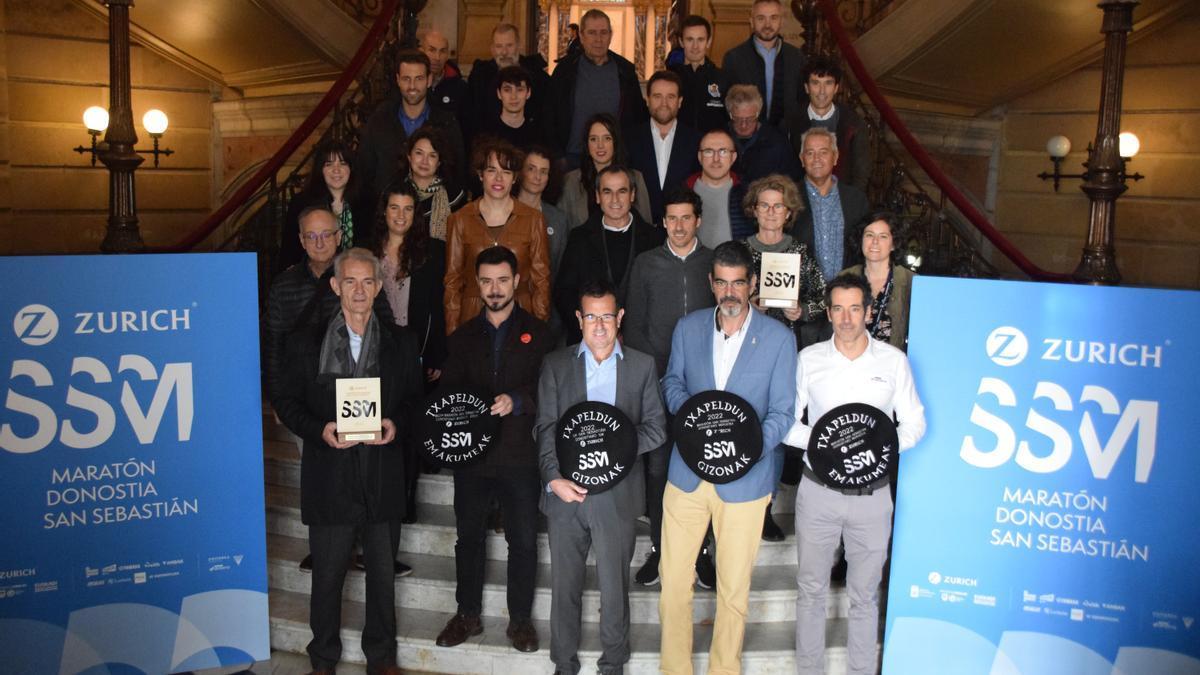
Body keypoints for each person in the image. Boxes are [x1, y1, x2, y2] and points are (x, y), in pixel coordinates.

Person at [273, 247, 423, 675]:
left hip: (382, 473)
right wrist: (318, 428)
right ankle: (323, 659)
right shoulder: (305, 344)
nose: (359, 290)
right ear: (336, 286)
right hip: (330, 474)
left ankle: (382, 657)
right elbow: (285, 400)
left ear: (379, 288)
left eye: (368, 282)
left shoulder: (402, 343)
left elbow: (416, 401)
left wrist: (395, 423)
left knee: (381, 576)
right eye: (350, 281)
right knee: (328, 578)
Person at [658, 240, 797, 675]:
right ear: (711, 284)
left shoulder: (779, 339)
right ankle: (674, 670)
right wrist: (693, 420)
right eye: (722, 283)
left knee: (733, 590)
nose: (730, 291)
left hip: (747, 482)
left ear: (752, 284)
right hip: (686, 476)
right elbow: (671, 383)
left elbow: (783, 412)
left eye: (739, 282)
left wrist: (748, 447)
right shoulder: (688, 327)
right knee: (674, 585)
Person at [784, 272, 925, 675]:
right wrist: (829, 444)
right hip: (818, 493)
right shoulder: (808, 360)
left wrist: (876, 446)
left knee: (865, 595)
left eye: (855, 309)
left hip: (872, 497)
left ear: (867, 311)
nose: (847, 318)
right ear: (828, 313)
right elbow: (787, 423)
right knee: (811, 590)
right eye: (839, 309)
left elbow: (915, 422)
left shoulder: (893, 361)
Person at [534, 279, 667, 675]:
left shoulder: (642, 366)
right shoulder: (556, 365)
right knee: (565, 586)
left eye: (606, 316)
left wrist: (617, 449)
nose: (599, 325)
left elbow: (657, 428)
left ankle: (613, 664)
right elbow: (545, 427)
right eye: (590, 316)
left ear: (619, 317)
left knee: (614, 588)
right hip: (565, 494)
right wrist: (552, 477)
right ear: (578, 319)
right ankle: (563, 663)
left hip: (617, 495)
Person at [434, 246, 553, 654]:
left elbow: (550, 390)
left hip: (520, 455)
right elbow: (448, 395)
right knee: (468, 538)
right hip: (472, 458)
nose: (495, 288)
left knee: (522, 539)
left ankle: (520, 621)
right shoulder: (462, 337)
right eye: (486, 281)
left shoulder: (541, 334)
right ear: (477, 284)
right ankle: (467, 613)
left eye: (502, 280)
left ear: (517, 281)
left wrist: (517, 401)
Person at [623, 188, 717, 588]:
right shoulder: (646, 264)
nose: (678, 226)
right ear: (663, 222)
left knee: (704, 469)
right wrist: (657, 379)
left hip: (705, 389)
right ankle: (661, 550)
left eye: (686, 218)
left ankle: (702, 554)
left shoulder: (713, 263)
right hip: (658, 386)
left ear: (698, 220)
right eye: (671, 219)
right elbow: (634, 326)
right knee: (659, 469)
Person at [739, 174, 824, 542]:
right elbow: (720, 296)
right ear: (754, 210)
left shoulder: (799, 253)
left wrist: (800, 311)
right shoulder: (740, 251)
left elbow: (824, 299)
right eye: (764, 205)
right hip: (743, 350)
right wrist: (746, 305)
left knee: (774, 428)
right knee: (741, 422)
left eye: (778, 206)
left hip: (783, 352)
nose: (771, 212)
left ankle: (766, 510)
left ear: (788, 212)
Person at [373, 181, 447, 534]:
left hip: (414, 348)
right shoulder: (368, 251)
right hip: (375, 351)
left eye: (407, 208)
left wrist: (435, 354)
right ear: (384, 211)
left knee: (410, 426)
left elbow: (437, 308)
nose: (400, 215)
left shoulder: (430, 251)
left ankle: (407, 503)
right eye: (394, 207)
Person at [444, 138, 552, 334]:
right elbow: (453, 282)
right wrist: (453, 333)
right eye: (492, 170)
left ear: (515, 178)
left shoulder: (533, 219)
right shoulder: (459, 219)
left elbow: (541, 281)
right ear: (480, 175)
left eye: (506, 172)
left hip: (521, 317)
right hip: (473, 317)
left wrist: (539, 328)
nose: (499, 179)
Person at [554, 165, 665, 345]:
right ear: (598, 196)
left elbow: (660, 297)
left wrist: (632, 335)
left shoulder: (654, 239)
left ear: (632, 195)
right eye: (607, 192)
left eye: (622, 191)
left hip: (641, 346)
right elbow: (564, 294)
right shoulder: (579, 238)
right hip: (589, 343)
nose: (615, 199)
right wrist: (593, 332)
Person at [357, 49, 466, 198]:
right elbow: (365, 171)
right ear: (397, 80)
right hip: (387, 213)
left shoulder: (447, 123)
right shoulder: (379, 120)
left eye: (419, 78)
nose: (412, 86)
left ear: (429, 80)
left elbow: (457, 171)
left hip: (434, 213)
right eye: (406, 79)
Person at [550, 9, 649, 169]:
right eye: (592, 33)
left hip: (615, 161)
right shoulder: (565, 70)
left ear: (610, 35)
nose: (598, 39)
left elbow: (637, 115)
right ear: (581, 36)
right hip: (572, 160)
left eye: (603, 32)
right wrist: (558, 156)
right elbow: (550, 114)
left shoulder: (625, 70)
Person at [793, 127, 871, 283]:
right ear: (802, 159)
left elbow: (864, 249)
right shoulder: (788, 198)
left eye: (823, 152)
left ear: (835, 157)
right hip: (802, 296)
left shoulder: (856, 200)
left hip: (846, 293)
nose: (816, 159)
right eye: (810, 153)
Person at [279, 140, 373, 271]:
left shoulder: (367, 202)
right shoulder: (301, 203)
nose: (336, 170)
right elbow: (289, 249)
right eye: (329, 164)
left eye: (342, 163)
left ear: (351, 168)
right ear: (320, 170)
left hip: (355, 276)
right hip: (312, 277)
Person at [627, 70, 701, 225]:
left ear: (680, 101)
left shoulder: (697, 141)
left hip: (682, 229)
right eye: (657, 96)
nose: (664, 104)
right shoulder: (629, 139)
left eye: (671, 97)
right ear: (647, 100)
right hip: (639, 228)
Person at [787, 55, 871, 192]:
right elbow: (786, 170)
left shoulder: (854, 123)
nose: (821, 91)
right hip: (801, 201)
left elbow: (861, 174)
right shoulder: (790, 123)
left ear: (836, 88)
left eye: (828, 83)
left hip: (842, 201)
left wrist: (848, 203)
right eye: (815, 83)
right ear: (807, 88)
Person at [557, 113, 653, 227]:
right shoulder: (570, 181)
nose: (600, 145)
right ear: (587, 144)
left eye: (607, 138)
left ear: (615, 142)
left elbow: (647, 227)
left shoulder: (636, 178)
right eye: (593, 139)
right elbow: (562, 228)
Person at [721, 0, 805, 129]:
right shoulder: (734, 58)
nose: (767, 24)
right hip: (745, 135)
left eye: (774, 18)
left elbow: (801, 101)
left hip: (786, 139)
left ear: (781, 21)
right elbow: (726, 103)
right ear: (751, 21)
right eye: (761, 18)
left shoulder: (795, 57)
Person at [839, 212, 913, 349]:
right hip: (852, 362)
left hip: (892, 364)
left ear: (893, 244)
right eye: (869, 235)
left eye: (883, 236)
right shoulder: (843, 278)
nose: (875, 241)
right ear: (861, 239)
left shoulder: (911, 281)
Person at [468, 23, 551, 143]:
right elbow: (473, 117)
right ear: (492, 49)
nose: (504, 52)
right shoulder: (479, 78)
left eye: (509, 45)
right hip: (491, 142)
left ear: (518, 46)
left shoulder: (537, 77)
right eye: (499, 46)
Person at [685, 128, 754, 249]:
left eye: (723, 152)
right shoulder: (683, 191)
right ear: (700, 157)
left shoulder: (748, 194)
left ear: (733, 157)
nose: (716, 159)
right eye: (709, 152)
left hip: (737, 265)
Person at [401, 127, 468, 241]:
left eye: (432, 155)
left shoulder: (456, 197)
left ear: (439, 162)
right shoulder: (395, 192)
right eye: (419, 153)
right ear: (409, 156)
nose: (424, 161)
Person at [725, 84, 799, 184]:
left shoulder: (778, 144)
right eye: (737, 119)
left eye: (750, 119)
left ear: (758, 113)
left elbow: (791, 183)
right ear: (730, 114)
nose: (743, 125)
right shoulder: (719, 141)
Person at [669, 15, 730, 135]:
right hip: (679, 148)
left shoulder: (723, 78)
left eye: (700, 40)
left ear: (709, 42)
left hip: (712, 149)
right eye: (690, 39)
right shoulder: (669, 78)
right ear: (681, 42)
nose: (695, 46)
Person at [478, 65, 550, 150]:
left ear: (528, 93)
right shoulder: (487, 134)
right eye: (507, 90)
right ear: (499, 93)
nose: (513, 96)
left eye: (519, 90)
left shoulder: (540, 134)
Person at [420, 29, 470, 131]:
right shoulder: (413, 85)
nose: (437, 57)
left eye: (442, 51)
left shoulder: (460, 88)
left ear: (447, 55)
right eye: (432, 50)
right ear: (421, 51)